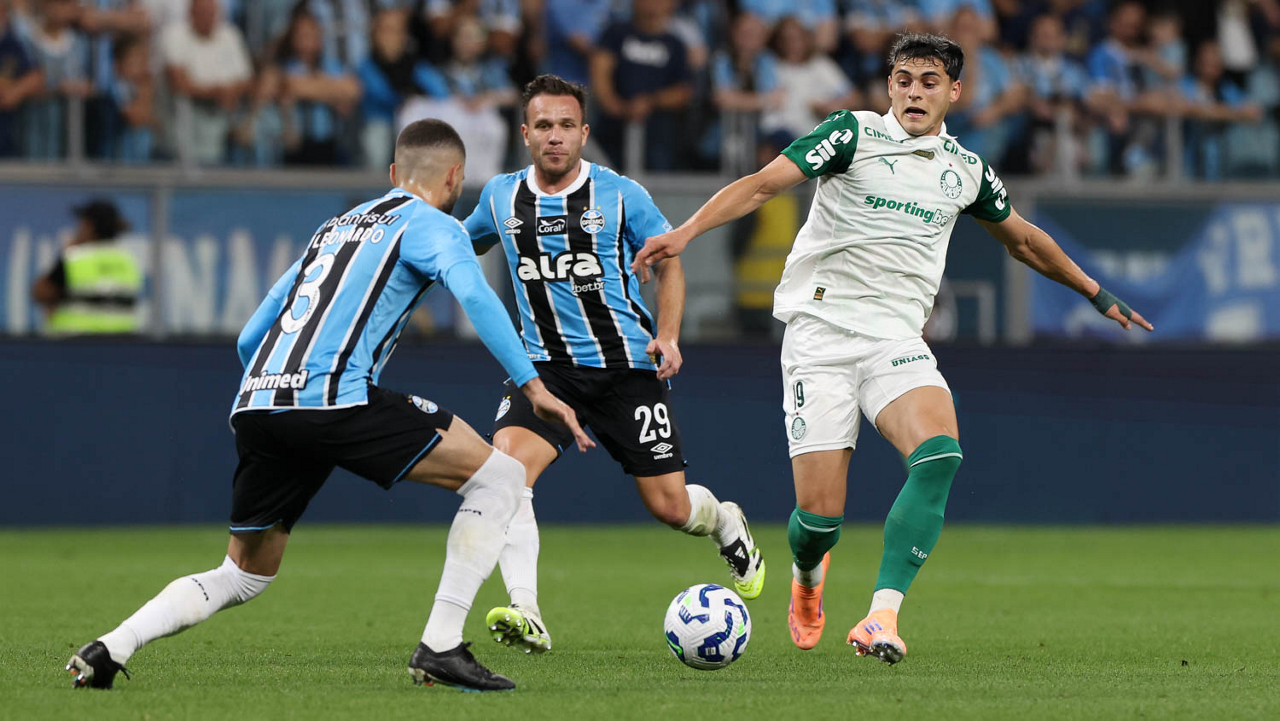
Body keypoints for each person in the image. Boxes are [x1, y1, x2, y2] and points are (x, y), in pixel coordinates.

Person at [632, 33, 1153, 664]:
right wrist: (686, 232)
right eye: (903, 80)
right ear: (889, 86)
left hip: (896, 340)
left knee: (940, 455)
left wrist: (1096, 292)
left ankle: (881, 616)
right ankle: (806, 576)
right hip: (819, 333)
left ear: (953, 93)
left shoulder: (965, 171)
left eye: (928, 82)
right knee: (819, 521)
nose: (913, 92)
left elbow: (1023, 240)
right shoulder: (852, 135)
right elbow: (766, 183)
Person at [65, 119, 593, 694]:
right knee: (502, 478)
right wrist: (533, 385)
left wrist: (280, 394)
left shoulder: (334, 229)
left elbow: (250, 338)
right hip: (333, 397)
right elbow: (474, 296)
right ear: (455, 179)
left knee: (241, 575)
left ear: (392, 174)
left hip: (259, 401)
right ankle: (440, 644)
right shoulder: (434, 225)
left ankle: (111, 648)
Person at [460, 74, 766, 655]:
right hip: (544, 371)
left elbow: (670, 260)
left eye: (567, 126)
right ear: (525, 134)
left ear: (584, 132)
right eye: (544, 126)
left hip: (627, 368)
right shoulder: (500, 198)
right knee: (504, 477)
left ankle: (726, 522)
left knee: (671, 507)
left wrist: (669, 335)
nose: (555, 137)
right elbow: (459, 244)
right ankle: (526, 609)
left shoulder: (621, 194)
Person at [32, 199, 142, 334]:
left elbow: (40, 293)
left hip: (76, 343)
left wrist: (67, 251)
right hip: (121, 343)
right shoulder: (128, 261)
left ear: (89, 226)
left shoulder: (77, 258)